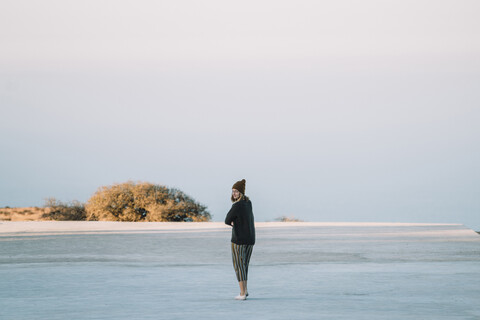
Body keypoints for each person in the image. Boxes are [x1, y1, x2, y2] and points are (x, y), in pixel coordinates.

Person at [225, 179, 255, 300]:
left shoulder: (237, 205)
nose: (234, 193)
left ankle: (242, 293)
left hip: (238, 240)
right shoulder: (249, 203)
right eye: (233, 191)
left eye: (236, 191)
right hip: (250, 239)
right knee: (245, 265)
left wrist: (234, 223)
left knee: (238, 266)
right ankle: (245, 290)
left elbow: (227, 220)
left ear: (241, 192)